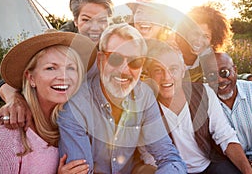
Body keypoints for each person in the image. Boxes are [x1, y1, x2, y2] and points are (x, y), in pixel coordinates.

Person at [57, 23, 187, 173]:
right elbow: (80, 171)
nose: (124, 70)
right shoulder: (76, 107)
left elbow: (169, 157)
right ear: (100, 60)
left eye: (135, 62)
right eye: (115, 58)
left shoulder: (144, 95)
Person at [0, 0, 113, 129]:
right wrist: (14, 99)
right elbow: (8, 81)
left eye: (102, 20)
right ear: (75, 21)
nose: (95, 27)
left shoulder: (115, 46)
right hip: (57, 126)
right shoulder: (62, 46)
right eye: (86, 20)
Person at [140, 40, 252, 174]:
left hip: (210, 165)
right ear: (150, 75)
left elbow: (225, 136)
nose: (166, 77)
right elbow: (149, 157)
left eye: (173, 69)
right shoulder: (144, 106)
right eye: (158, 70)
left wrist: (248, 171)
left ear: (182, 71)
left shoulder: (204, 93)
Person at [0, 31, 96, 173]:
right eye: (51, 68)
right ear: (31, 78)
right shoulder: (5, 134)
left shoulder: (76, 126)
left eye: (71, 68)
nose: (63, 77)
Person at [182, 5, 252, 99]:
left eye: (206, 36)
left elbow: (224, 74)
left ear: (213, 39)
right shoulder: (172, 52)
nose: (198, 40)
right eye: (195, 34)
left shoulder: (207, 57)